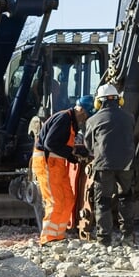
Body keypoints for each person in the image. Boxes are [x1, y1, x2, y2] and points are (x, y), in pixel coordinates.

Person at [83, 83, 136, 244]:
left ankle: (104, 239)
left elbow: (89, 146)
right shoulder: (129, 117)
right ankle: (127, 236)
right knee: (126, 199)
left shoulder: (93, 120)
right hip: (126, 164)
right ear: (119, 100)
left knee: (103, 201)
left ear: (99, 102)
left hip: (104, 165)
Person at [35, 96, 91, 242]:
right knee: (55, 200)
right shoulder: (64, 119)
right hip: (47, 162)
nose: (85, 119)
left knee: (68, 199)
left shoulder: (71, 122)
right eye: (86, 115)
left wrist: (73, 154)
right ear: (82, 110)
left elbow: (59, 145)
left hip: (58, 163)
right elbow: (50, 143)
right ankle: (47, 238)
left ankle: (58, 235)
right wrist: (71, 153)